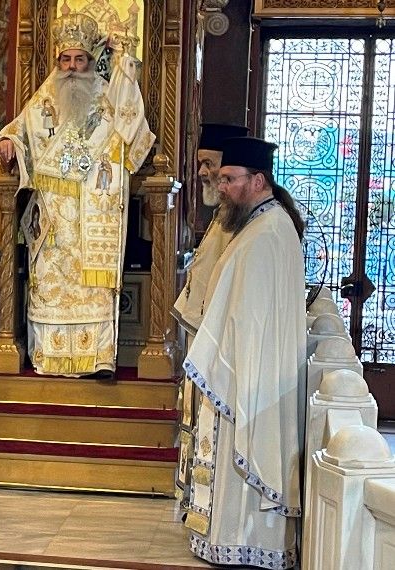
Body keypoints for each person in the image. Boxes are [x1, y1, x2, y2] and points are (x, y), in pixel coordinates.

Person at [0, 7, 154, 378]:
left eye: (78, 59)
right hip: (53, 218)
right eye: (65, 59)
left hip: (93, 211)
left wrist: (122, 57)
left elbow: (134, 125)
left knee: (93, 286)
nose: (70, 67)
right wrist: (7, 141)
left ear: (89, 60)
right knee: (50, 282)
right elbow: (19, 128)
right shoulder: (45, 97)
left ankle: (97, 357)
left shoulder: (107, 94)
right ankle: (49, 357)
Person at [183, 136, 306, 569]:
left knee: (243, 452)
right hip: (244, 365)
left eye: (230, 179)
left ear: (257, 180)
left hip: (251, 372)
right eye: (220, 179)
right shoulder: (259, 225)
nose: (222, 188)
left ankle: (248, 543)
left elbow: (249, 318)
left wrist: (220, 359)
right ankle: (229, 540)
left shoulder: (268, 232)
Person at [171, 122, 248, 507]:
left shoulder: (240, 221)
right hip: (202, 337)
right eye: (200, 164)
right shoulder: (222, 216)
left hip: (217, 346)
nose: (202, 173)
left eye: (210, 165)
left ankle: (208, 505)